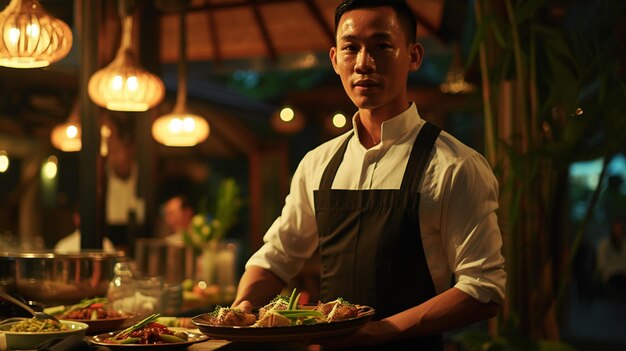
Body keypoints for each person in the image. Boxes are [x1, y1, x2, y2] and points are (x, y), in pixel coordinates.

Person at [232, 0, 506, 349]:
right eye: (351, 48)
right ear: (334, 59)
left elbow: (483, 289)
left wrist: (380, 332)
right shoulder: (318, 163)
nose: (364, 63)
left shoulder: (456, 166)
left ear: (414, 56)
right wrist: (242, 307)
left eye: (382, 46)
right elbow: (277, 257)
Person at [597, 218, 626, 298]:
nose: (617, 231)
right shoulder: (605, 244)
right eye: (616, 228)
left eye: (619, 228)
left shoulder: (624, 244)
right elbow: (602, 263)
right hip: (611, 276)